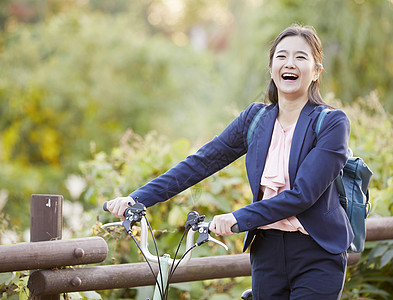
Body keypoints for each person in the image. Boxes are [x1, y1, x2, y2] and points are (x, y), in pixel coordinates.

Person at [106, 24, 353, 299]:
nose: (289, 63)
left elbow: (303, 195)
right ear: (271, 67)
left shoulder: (331, 123)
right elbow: (201, 163)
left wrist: (238, 218)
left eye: (301, 57)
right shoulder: (255, 119)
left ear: (316, 71)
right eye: (281, 56)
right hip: (267, 252)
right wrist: (138, 198)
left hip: (316, 252)